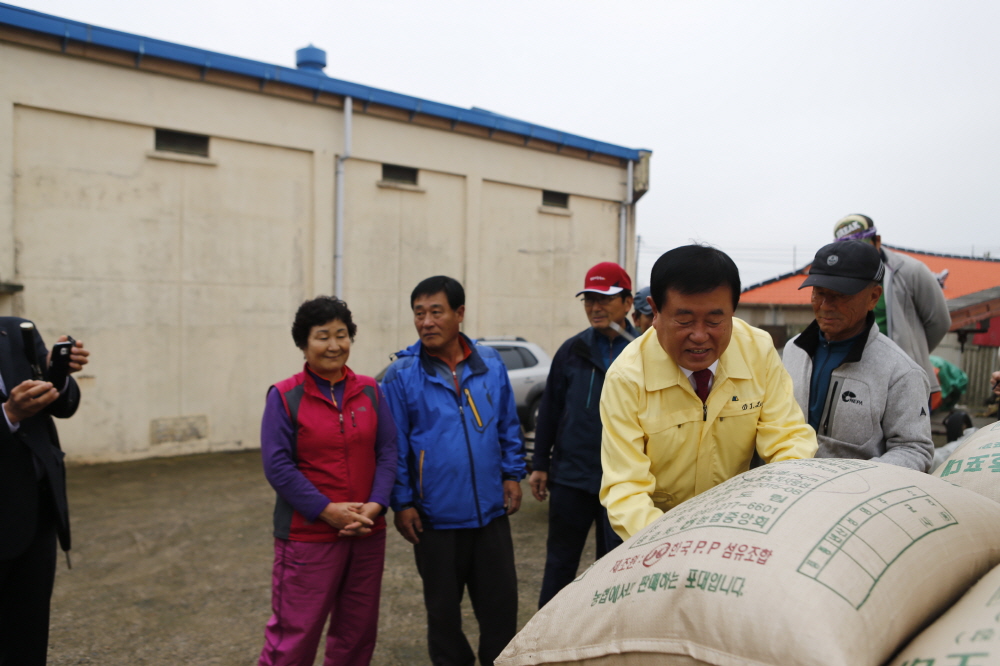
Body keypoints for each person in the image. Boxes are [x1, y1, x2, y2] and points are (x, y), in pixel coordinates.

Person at [599, 245, 817, 540]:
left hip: (735, 525)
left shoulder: (757, 350)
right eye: (684, 320)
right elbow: (626, 487)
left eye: (715, 320)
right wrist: (672, 545)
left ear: (733, 311)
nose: (700, 336)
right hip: (654, 532)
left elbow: (789, 440)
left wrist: (772, 508)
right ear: (655, 309)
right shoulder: (627, 376)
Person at [383, 276, 525, 666]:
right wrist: (403, 503)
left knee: (501, 612)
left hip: (490, 516)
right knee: (442, 618)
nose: (426, 322)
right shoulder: (401, 375)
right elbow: (392, 446)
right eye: (418, 313)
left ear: (459, 314)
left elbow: (507, 425)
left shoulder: (490, 364)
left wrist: (512, 474)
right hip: (435, 522)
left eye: (435, 312)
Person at [258, 297, 397, 666]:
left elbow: (388, 451)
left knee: (357, 634)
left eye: (341, 334)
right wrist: (326, 510)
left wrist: (376, 503)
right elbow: (278, 466)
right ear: (303, 344)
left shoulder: (369, 390)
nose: (334, 345)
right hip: (308, 538)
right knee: (294, 636)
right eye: (322, 336)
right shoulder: (285, 396)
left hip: (367, 531)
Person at [530, 261, 638, 608]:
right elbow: (550, 409)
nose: (595, 307)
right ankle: (544, 644)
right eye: (589, 299)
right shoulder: (571, 350)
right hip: (571, 478)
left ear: (627, 302)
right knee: (560, 566)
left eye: (604, 298)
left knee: (615, 570)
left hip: (623, 482)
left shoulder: (644, 350)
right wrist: (540, 463)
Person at [782, 241, 934, 472]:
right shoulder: (793, 351)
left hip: (855, 499)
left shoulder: (901, 372)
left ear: (874, 297)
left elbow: (914, 449)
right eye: (819, 293)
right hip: (786, 489)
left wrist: (857, 478)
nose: (825, 306)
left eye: (839, 296)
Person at [1, 317, 89, 665]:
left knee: (28, 635)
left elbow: (63, 405)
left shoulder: (15, 331)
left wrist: (58, 373)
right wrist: (8, 414)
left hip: (35, 514)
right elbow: (13, 414)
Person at [833, 214, 950, 402]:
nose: (855, 256)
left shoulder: (911, 270)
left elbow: (940, 321)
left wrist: (911, 354)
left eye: (861, 248)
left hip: (905, 379)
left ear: (877, 241)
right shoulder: (837, 280)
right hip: (859, 379)